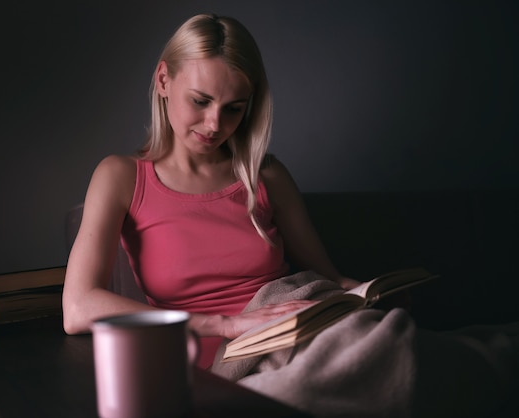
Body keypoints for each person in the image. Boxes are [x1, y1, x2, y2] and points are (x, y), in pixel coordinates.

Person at [62, 13, 360, 369]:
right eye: (200, 101)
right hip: (221, 354)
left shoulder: (266, 175)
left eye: (233, 109)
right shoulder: (121, 176)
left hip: (295, 325)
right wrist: (227, 325)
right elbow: (78, 308)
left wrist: (367, 295)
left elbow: (328, 277)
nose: (215, 124)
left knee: (384, 340)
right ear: (163, 80)